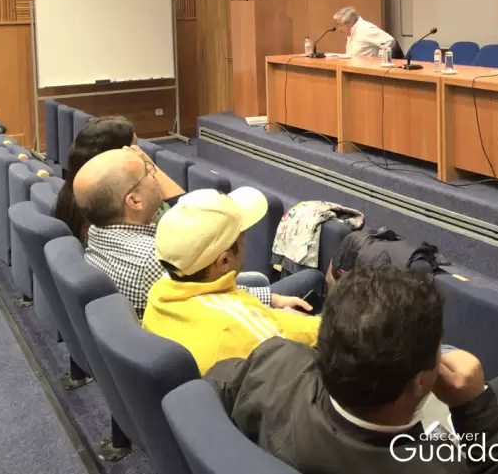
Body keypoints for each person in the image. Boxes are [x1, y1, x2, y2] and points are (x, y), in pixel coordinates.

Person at [204, 265, 498, 474]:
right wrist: (474, 408)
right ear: (421, 381)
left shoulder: (273, 360)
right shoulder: (441, 468)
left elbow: (213, 385)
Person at [74, 148, 322, 318]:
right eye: (148, 172)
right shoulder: (153, 260)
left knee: (259, 281)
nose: (154, 176)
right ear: (134, 201)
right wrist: (272, 304)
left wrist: (269, 297)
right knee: (312, 278)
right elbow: (212, 301)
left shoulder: (97, 232)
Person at [145, 188, 323, 373]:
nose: (245, 241)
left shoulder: (160, 290)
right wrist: (322, 326)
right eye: (242, 236)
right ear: (224, 261)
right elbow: (296, 361)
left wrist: (273, 306)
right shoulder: (237, 327)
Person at [52, 114, 166, 242]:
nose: (138, 153)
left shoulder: (72, 196)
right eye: (133, 147)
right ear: (114, 155)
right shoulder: (118, 209)